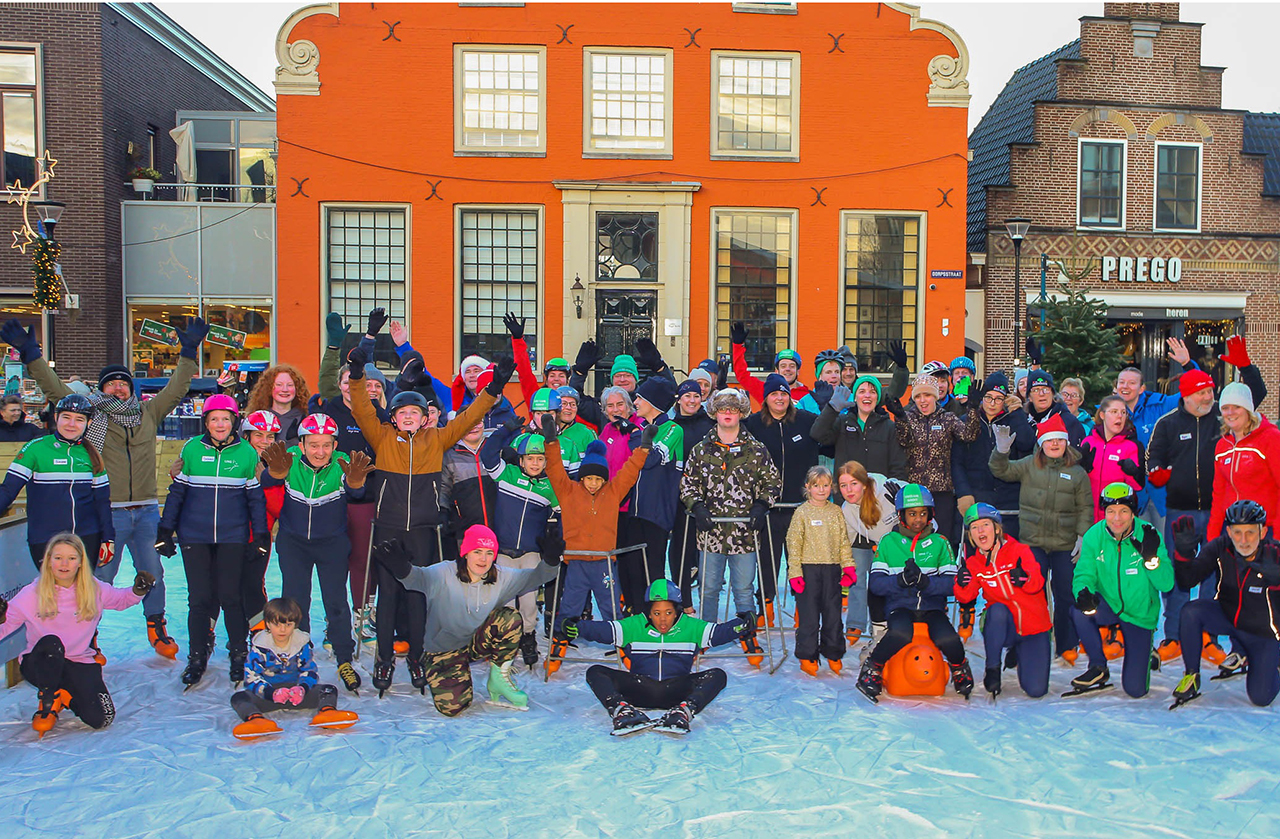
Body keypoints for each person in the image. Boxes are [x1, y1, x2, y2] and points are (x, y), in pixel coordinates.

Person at [3, 316, 207, 661]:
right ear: (102, 388)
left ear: (132, 388)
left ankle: (156, 625)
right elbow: (54, 390)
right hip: (105, 515)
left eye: (123, 383)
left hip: (143, 511)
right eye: (111, 383)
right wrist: (31, 354)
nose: (117, 388)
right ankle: (89, 636)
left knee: (152, 571)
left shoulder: (148, 412)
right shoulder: (90, 414)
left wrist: (188, 352)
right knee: (96, 579)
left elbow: (177, 388)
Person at [344, 342, 513, 694]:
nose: (408, 416)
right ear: (393, 416)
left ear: (425, 418)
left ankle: (419, 658)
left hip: (423, 530)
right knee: (389, 595)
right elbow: (361, 409)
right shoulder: (382, 437)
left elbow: (469, 417)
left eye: (415, 412)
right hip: (388, 528)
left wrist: (493, 388)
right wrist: (358, 375)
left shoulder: (437, 440)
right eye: (401, 411)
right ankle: (384, 660)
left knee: (419, 596)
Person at [1147, 360, 1268, 663]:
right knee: (1179, 573)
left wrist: (1247, 367)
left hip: (1219, 513)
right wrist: (1156, 472)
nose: (1208, 397)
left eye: (1210, 391)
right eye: (1201, 392)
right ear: (1186, 396)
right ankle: (1174, 635)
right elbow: (1155, 457)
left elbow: (1254, 396)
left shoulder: (1224, 420)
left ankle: (1207, 636)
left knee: (1214, 574)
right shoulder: (1168, 423)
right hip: (1180, 512)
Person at [372, 523, 564, 713]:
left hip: (476, 642)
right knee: (454, 707)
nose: (483, 559)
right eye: (477, 551)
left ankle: (498, 680)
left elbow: (537, 577)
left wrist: (551, 560)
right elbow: (417, 578)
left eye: (489, 553)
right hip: (444, 650)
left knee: (509, 618)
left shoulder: (501, 577)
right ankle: (454, 673)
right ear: (465, 553)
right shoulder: (444, 573)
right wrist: (401, 569)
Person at [157, 394, 269, 688]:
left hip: (232, 536)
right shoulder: (192, 449)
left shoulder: (247, 453)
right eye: (214, 418)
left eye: (226, 418)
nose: (220, 424)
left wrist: (260, 535)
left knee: (231, 597)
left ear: (234, 422)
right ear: (205, 422)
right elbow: (177, 493)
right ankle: (197, 656)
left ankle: (237, 653)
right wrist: (165, 530)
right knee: (199, 599)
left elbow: (256, 500)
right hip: (195, 535)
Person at [259, 416, 374, 694]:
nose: (320, 452)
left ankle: (344, 658)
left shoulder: (344, 462)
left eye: (326, 445)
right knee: (297, 600)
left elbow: (356, 492)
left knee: (335, 600)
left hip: (332, 542)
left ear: (335, 445)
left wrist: (356, 483)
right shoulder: (289, 458)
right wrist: (274, 473)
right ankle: (299, 656)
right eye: (313, 445)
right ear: (302, 444)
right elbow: (265, 480)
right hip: (293, 541)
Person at [0, 533, 153, 736]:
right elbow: (5, 628)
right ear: (48, 561)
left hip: (79, 661)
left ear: (80, 562)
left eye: (71, 558)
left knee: (102, 718)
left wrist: (137, 591)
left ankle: (64, 695)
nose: (64, 564)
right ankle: (48, 698)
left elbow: (120, 599)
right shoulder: (31, 593)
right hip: (41, 663)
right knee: (52, 643)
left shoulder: (92, 588)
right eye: (58, 558)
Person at [567, 579, 755, 735]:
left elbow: (719, 632)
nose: (663, 619)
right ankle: (623, 710)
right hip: (640, 688)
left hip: (676, 690)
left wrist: (742, 625)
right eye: (657, 613)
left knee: (717, 675)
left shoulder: (691, 627)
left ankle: (683, 712)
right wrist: (578, 627)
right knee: (595, 672)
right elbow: (604, 630)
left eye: (668, 613)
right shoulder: (635, 625)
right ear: (649, 612)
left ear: (677, 612)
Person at [680, 388, 781, 666]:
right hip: (711, 533)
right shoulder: (701, 450)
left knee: (744, 588)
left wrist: (761, 505)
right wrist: (696, 506)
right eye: (723, 409)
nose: (728, 413)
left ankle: (747, 632)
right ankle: (705, 634)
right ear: (714, 413)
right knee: (708, 587)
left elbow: (773, 482)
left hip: (744, 534)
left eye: (733, 409)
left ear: (740, 414)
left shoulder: (756, 449)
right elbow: (688, 484)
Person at [541, 418, 654, 666]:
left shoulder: (613, 493)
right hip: (577, 562)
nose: (593, 483)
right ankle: (560, 637)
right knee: (570, 604)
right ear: (581, 477)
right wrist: (550, 440)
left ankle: (621, 641)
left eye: (598, 479)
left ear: (604, 479)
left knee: (611, 605)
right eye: (589, 478)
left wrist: (644, 447)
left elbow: (630, 471)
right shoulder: (568, 491)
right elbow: (554, 468)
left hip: (604, 563)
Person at [989, 414, 1093, 663]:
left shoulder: (1077, 473)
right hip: (1032, 541)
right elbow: (1001, 470)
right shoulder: (1028, 465)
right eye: (1050, 440)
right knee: (1030, 591)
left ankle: (1067, 644)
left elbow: (1086, 508)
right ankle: (1027, 640)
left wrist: (1082, 535)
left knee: (1065, 593)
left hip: (1065, 544)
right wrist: (1001, 451)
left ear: (1066, 443)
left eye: (1059, 440)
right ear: (1042, 443)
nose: (1055, 444)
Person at [857, 484, 973, 703]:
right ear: (901, 515)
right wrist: (900, 581)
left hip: (932, 608)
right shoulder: (888, 542)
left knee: (947, 637)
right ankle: (873, 667)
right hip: (900, 607)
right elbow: (876, 584)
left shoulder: (941, 543)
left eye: (922, 513)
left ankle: (959, 667)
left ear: (930, 514)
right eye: (912, 514)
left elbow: (951, 584)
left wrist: (926, 583)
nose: (917, 519)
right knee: (900, 633)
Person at [1169, 500, 1280, 708]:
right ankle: (1191, 676)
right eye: (1237, 532)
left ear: (1263, 532)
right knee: (1191, 612)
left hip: (1262, 634)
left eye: (1251, 532)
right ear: (1228, 531)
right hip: (1228, 618)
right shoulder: (1221, 547)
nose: (1244, 540)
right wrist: (1183, 556)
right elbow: (1187, 582)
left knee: (1261, 698)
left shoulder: (1275, 555)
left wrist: (1277, 585)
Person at [1069, 482, 1173, 698]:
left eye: (1124, 511)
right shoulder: (1094, 535)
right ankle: (1098, 667)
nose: (1117, 518)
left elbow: (1167, 584)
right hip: (1109, 603)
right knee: (1079, 610)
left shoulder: (1149, 534)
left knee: (1135, 690)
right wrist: (1084, 592)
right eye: (1111, 511)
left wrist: (1151, 560)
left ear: (1133, 512)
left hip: (1139, 613)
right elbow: (1084, 574)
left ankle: (1143, 646)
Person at [478, 419, 560, 667]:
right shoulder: (507, 475)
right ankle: (506, 639)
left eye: (540, 459)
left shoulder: (549, 488)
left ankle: (527, 636)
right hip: (503, 551)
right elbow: (488, 453)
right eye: (530, 459)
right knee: (504, 600)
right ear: (521, 460)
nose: (535, 464)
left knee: (528, 600)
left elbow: (562, 518)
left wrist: (554, 543)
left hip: (530, 553)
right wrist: (507, 430)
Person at [0, 394, 114, 569]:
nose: (71, 424)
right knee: (54, 593)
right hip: (46, 538)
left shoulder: (92, 455)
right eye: (66, 417)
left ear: (88, 423)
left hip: (87, 537)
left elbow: (102, 502)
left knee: (83, 593)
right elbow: (7, 491)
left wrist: (108, 538)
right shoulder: (35, 449)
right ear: (56, 417)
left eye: (79, 419)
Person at [953, 504, 1052, 699]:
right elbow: (966, 597)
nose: (980, 530)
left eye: (985, 525)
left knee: (1036, 690)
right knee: (997, 610)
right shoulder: (974, 563)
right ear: (970, 535)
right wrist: (961, 582)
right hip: (1003, 626)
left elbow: (1037, 583)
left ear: (997, 529)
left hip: (1033, 628)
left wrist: (1025, 579)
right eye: (974, 527)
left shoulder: (1020, 551)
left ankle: (1019, 651)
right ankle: (993, 668)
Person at [746, 373, 821, 627]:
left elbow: (829, 438)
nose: (779, 398)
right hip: (767, 508)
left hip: (799, 507)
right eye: (774, 394)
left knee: (799, 562)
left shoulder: (807, 421)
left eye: (783, 394)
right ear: (765, 398)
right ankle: (765, 604)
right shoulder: (753, 424)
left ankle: (803, 608)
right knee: (766, 561)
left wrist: (827, 409)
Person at [230, 597, 358, 740]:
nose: (282, 630)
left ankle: (327, 711)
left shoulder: (301, 644)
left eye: (288, 624)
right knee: (239, 697)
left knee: (328, 689)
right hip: (270, 693)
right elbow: (251, 677)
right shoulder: (260, 647)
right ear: (267, 624)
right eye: (276, 624)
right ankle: (255, 719)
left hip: (295, 692)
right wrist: (271, 692)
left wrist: (302, 688)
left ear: (295, 624)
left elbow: (309, 671)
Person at [1113, 338, 1198, 533]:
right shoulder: (1109, 413)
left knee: (1165, 549)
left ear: (1142, 388)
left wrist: (1188, 365)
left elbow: (1195, 391)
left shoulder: (1161, 406)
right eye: (1122, 382)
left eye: (1132, 383)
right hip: (1129, 495)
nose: (1125, 386)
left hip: (1161, 494)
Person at [891, 374, 981, 548]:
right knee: (914, 539)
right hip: (915, 491)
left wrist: (972, 409)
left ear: (935, 396)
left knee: (941, 539)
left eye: (927, 395)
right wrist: (900, 419)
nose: (923, 401)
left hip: (942, 491)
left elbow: (969, 435)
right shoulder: (908, 417)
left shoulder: (947, 418)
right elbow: (904, 440)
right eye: (918, 396)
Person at [620, 377, 683, 615]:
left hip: (656, 513)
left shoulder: (672, 428)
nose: (634, 402)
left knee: (653, 570)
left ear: (653, 402)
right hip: (634, 511)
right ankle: (637, 617)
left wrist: (636, 435)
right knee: (632, 569)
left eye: (639, 398)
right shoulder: (643, 427)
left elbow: (651, 458)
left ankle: (659, 618)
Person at [951, 371, 1035, 539]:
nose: (992, 403)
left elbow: (1027, 443)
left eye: (998, 398)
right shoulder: (966, 420)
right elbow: (956, 461)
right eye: (988, 397)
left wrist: (1017, 412)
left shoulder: (1013, 420)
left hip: (1008, 496)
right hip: (976, 494)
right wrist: (963, 492)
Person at [786, 466, 853, 675]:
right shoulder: (802, 512)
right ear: (808, 487)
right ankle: (808, 655)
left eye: (825, 485)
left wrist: (848, 567)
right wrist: (795, 573)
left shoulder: (835, 512)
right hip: (808, 571)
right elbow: (793, 543)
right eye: (816, 486)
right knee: (809, 617)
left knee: (833, 615)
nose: (821, 490)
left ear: (831, 487)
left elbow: (843, 541)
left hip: (832, 571)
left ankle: (833, 652)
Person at [836, 461, 900, 645]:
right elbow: (845, 540)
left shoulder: (888, 489)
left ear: (864, 483)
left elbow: (925, 514)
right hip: (879, 547)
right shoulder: (847, 510)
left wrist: (904, 506)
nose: (849, 490)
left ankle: (885, 623)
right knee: (859, 577)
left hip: (901, 549)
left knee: (885, 585)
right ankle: (858, 624)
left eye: (853, 483)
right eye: (843, 485)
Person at [1208, 382, 1280, 540]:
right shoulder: (1223, 445)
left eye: (1237, 407)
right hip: (1233, 529)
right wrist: (1212, 537)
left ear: (1248, 410)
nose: (1230, 412)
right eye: (1225, 408)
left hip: (1264, 530)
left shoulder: (1270, 438)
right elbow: (1219, 493)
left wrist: (1277, 537)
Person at [668, 379, 715, 606]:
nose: (692, 400)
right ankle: (683, 599)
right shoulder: (672, 426)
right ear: (679, 399)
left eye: (696, 396)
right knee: (681, 548)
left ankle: (708, 600)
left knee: (709, 550)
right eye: (687, 396)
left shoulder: (710, 425)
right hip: (681, 497)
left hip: (710, 495)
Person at [811, 374, 907, 479]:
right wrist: (831, 408)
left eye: (872, 392)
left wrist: (890, 490)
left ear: (877, 398)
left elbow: (897, 467)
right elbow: (817, 434)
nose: (867, 395)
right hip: (846, 492)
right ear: (855, 397)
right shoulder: (843, 422)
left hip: (878, 493)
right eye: (862, 391)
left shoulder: (889, 427)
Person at [1079, 395, 1145, 522]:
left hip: (1117, 519)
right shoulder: (1089, 442)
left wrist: (1133, 473)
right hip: (1088, 516)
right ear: (1102, 415)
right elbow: (1076, 481)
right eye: (1114, 412)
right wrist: (1082, 467)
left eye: (1123, 412)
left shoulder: (1131, 446)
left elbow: (1138, 487)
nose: (1120, 416)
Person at [729, 320, 810, 402]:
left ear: (798, 371)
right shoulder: (765, 390)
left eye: (792, 366)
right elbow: (742, 375)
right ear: (776, 371)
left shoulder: (808, 396)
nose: (787, 369)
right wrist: (738, 345)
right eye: (783, 366)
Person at [245, 363, 311, 440]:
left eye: (290, 385)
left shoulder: (306, 419)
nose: (285, 389)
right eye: (279, 385)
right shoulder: (255, 417)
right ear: (269, 387)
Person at [1022, 369, 1086, 447]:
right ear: (1029, 397)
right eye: (1036, 390)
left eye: (1046, 389)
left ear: (1053, 394)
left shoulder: (1069, 422)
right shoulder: (1023, 421)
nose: (1041, 394)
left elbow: (1076, 455)